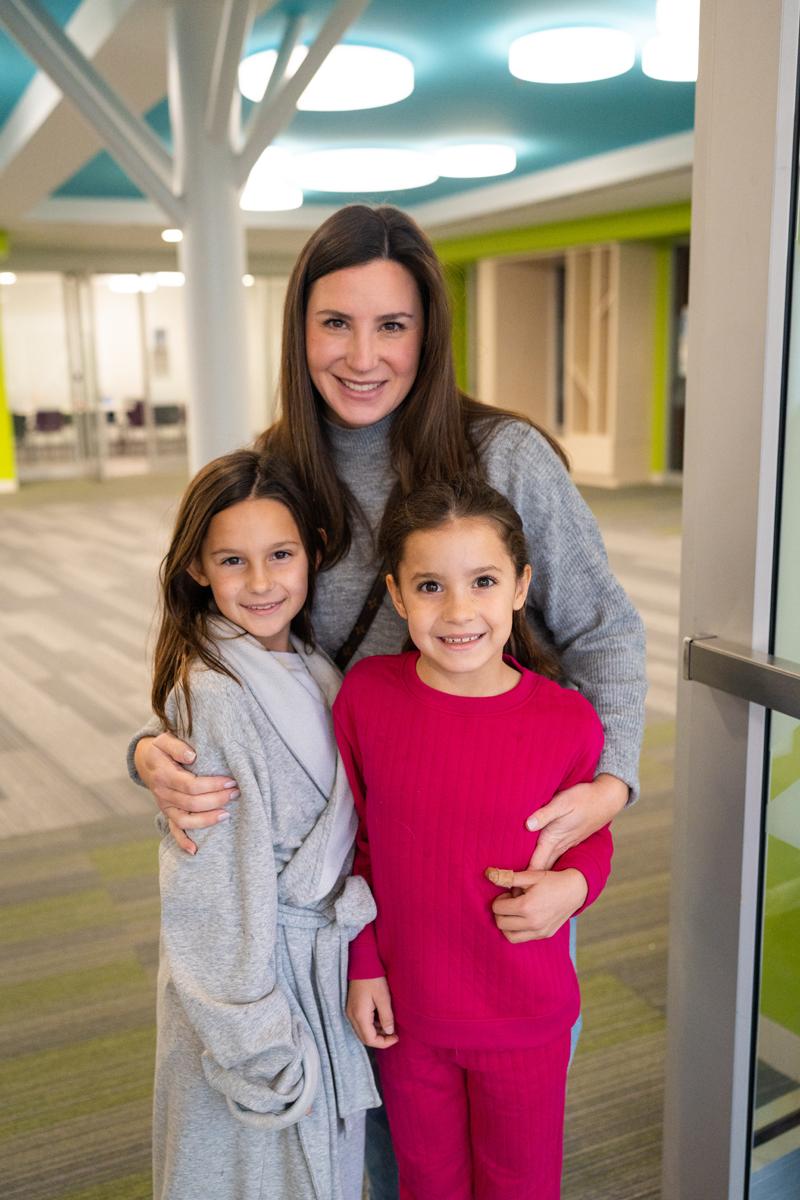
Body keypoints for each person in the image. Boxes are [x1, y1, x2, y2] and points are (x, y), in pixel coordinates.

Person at [130, 204, 646, 1199]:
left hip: (487, 861)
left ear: (428, 331)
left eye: (392, 325)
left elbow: (605, 632)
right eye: (335, 323)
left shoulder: (503, 458)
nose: (362, 356)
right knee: (384, 1153)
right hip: (345, 881)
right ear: (299, 330)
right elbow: (224, 634)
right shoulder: (280, 472)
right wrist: (151, 748)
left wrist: (611, 783)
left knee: (508, 1133)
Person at [335, 478, 613, 1199]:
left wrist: (575, 885)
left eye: (483, 581)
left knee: (521, 1185)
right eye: (430, 586)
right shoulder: (367, 697)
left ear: (520, 587)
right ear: (397, 596)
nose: (458, 611)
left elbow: (589, 838)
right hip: (411, 1015)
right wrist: (364, 964)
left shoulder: (567, 721)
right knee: (426, 1183)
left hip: (526, 1016)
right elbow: (353, 846)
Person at [149, 448, 379, 1200]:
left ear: (313, 551)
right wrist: (258, 1049)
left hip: (311, 977)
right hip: (253, 995)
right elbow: (208, 895)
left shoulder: (311, 666)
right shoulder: (216, 694)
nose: (260, 582)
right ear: (197, 569)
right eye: (232, 561)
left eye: (280, 554)